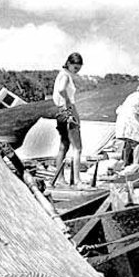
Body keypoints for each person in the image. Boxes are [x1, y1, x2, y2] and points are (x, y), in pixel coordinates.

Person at [52, 52, 83, 186]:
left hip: (60, 112)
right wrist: (69, 103)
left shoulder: (61, 74)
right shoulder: (65, 75)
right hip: (68, 112)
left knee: (63, 146)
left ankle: (59, 179)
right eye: (75, 68)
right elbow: (61, 90)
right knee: (77, 148)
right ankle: (77, 180)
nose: (77, 71)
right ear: (69, 64)